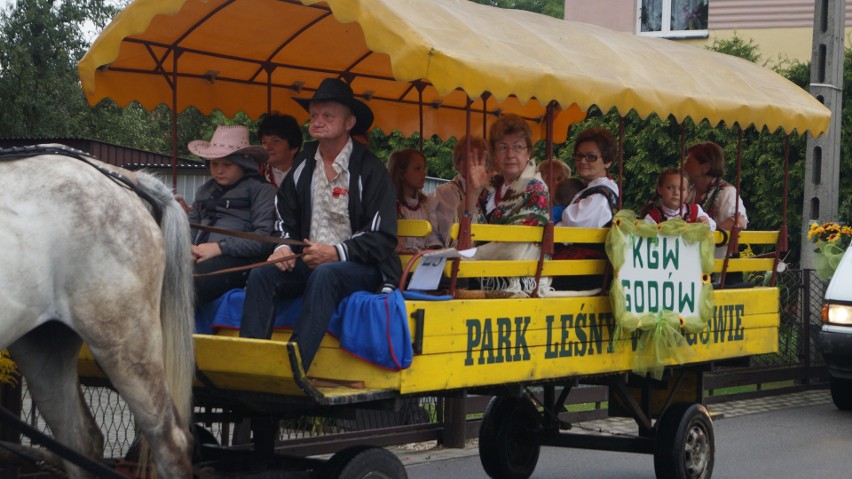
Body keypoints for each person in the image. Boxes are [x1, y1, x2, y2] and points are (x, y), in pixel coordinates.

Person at [238, 77, 401, 373]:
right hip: (309, 260)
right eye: (314, 115)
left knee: (326, 275)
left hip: (363, 267)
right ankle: (252, 368)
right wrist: (285, 246)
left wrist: (336, 252)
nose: (318, 122)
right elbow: (283, 214)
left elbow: (382, 236)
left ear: (349, 122)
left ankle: (295, 368)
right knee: (262, 275)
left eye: (328, 116)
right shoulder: (303, 163)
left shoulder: (371, 169)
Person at [187, 125, 277, 304]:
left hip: (239, 262)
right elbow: (190, 226)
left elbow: (264, 239)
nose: (219, 170)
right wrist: (187, 247)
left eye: (227, 164)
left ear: (244, 164)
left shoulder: (262, 190)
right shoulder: (204, 190)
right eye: (214, 164)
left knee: (188, 285)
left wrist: (219, 247)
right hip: (196, 257)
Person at [465, 114, 550, 295]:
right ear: (494, 155)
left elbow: (513, 247)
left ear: (528, 153)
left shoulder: (535, 189)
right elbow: (463, 230)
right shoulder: (489, 188)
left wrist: (468, 257)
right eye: (503, 147)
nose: (510, 155)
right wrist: (473, 192)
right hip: (482, 277)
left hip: (521, 283)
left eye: (518, 147)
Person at [552, 127, 620, 291]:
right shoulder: (591, 190)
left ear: (607, 162)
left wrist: (558, 222)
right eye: (579, 155)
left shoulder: (601, 195)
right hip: (575, 267)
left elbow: (575, 225)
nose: (583, 161)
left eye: (591, 157)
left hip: (581, 273)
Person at [433, 136, 489, 247]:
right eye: (469, 158)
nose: (475, 163)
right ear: (458, 164)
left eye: (479, 158)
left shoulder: (490, 190)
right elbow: (450, 236)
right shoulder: (447, 192)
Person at [682, 141, 748, 232]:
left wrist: (710, 227)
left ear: (705, 167)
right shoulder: (691, 190)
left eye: (689, 162)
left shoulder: (727, 191)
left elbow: (739, 222)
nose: (684, 165)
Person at [387, 149, 441, 252]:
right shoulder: (392, 205)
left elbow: (433, 240)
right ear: (402, 174)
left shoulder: (426, 205)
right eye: (418, 169)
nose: (424, 173)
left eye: (424, 168)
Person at [642, 168, 716, 231]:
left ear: (687, 192)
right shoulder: (652, 217)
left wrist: (706, 223)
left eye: (681, 189)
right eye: (670, 187)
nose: (676, 193)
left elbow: (713, 225)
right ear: (660, 190)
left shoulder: (696, 211)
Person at [257, 114, 304, 188]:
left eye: (275, 141)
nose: (267, 147)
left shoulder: (305, 174)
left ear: (293, 148)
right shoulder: (257, 174)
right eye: (264, 142)